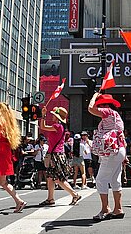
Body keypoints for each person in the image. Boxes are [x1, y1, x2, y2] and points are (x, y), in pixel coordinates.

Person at [88, 93, 126, 221]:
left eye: (101, 105)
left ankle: (105, 209)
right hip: (119, 149)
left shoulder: (108, 112)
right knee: (115, 179)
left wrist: (93, 97)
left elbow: (90, 109)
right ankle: (118, 209)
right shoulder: (116, 116)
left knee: (101, 180)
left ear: (105, 105)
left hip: (111, 151)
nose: (99, 107)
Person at [39, 106, 81, 206]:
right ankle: (50, 199)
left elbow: (43, 127)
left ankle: (74, 194)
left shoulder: (57, 126)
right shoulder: (61, 127)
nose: (52, 116)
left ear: (57, 118)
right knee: (50, 177)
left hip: (55, 155)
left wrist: (43, 115)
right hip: (57, 154)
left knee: (58, 178)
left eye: (54, 115)